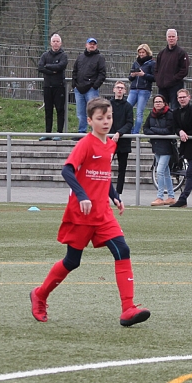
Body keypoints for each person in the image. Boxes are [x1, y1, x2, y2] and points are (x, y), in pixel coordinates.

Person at [29, 97, 150, 327]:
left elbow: (103, 174)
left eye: (109, 117)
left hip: (103, 213)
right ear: (89, 120)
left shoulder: (110, 145)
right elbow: (67, 171)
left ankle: (128, 309)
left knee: (122, 250)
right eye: (100, 118)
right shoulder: (85, 144)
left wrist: (114, 196)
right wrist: (82, 195)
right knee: (72, 261)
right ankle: (40, 294)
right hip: (81, 214)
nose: (106, 122)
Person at [143, 94, 176, 206]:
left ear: (164, 103)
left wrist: (154, 130)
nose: (157, 104)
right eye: (156, 102)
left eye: (160, 101)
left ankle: (160, 196)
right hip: (156, 146)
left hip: (167, 147)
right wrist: (156, 131)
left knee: (160, 171)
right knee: (166, 172)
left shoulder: (169, 114)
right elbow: (145, 129)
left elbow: (169, 130)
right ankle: (171, 196)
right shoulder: (151, 114)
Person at [71, 38, 107, 137]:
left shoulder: (99, 58)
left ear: (96, 46)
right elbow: (74, 71)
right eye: (90, 43)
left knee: (93, 112)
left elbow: (102, 73)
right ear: (86, 45)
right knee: (80, 113)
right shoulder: (80, 57)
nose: (92, 45)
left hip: (91, 90)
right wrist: (74, 85)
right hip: (79, 89)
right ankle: (81, 133)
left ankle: (94, 133)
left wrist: (95, 85)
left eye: (94, 44)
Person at [38, 33, 68, 139]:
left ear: (61, 43)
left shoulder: (63, 55)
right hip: (47, 86)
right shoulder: (45, 55)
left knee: (60, 110)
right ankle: (48, 133)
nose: (55, 43)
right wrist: (52, 71)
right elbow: (40, 67)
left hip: (59, 87)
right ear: (50, 43)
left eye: (57, 41)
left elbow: (61, 66)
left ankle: (59, 133)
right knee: (48, 110)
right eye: (54, 41)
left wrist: (47, 66)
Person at [108, 81, 134, 195]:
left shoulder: (128, 106)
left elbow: (129, 123)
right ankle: (105, 190)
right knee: (105, 167)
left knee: (122, 169)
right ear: (113, 89)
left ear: (125, 91)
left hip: (123, 141)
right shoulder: (108, 105)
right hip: (109, 140)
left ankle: (118, 194)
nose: (119, 90)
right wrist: (112, 134)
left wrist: (119, 133)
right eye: (117, 87)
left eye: (121, 88)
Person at [156, 29, 189, 110]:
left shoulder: (181, 53)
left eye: (173, 36)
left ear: (177, 38)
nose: (171, 38)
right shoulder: (161, 53)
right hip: (162, 87)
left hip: (175, 87)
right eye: (169, 36)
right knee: (161, 109)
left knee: (175, 109)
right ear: (166, 38)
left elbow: (184, 70)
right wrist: (158, 79)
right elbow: (156, 68)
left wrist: (173, 79)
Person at [126, 43, 155, 134]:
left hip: (144, 90)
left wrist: (144, 75)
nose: (141, 54)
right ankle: (129, 130)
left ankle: (135, 133)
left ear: (147, 52)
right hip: (133, 89)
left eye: (143, 52)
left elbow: (154, 78)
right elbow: (130, 78)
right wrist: (132, 75)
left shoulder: (152, 63)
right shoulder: (136, 63)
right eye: (140, 52)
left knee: (139, 112)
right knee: (126, 109)